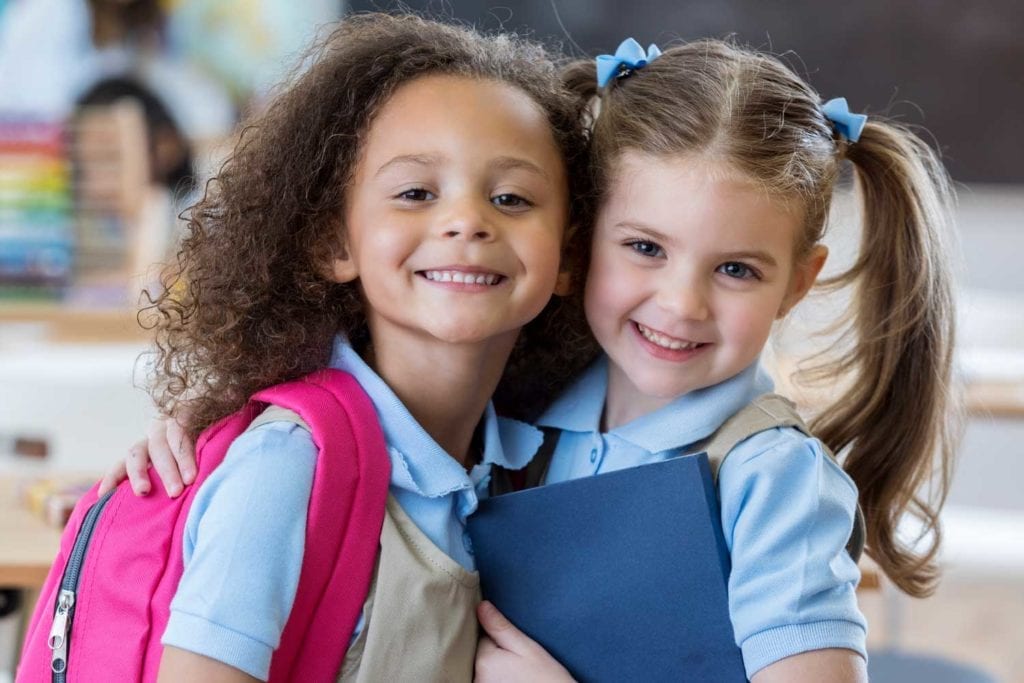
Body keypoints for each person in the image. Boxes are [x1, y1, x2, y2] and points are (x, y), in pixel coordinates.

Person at [108, 36, 959, 683]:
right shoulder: (512, 426)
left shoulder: (770, 475)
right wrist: (215, 436)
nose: (681, 303)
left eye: (736, 269)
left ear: (798, 281)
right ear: (580, 250)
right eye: (645, 248)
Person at [98, 12, 592, 681]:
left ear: (568, 256)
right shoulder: (286, 467)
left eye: (511, 198)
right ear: (334, 242)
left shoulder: (524, 463)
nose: (466, 221)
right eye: (415, 192)